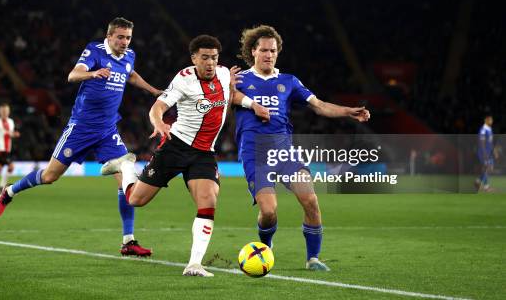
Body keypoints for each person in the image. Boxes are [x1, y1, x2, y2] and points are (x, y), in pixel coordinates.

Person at [102, 34, 270, 277]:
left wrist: (252, 104)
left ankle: (194, 264)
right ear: (194, 58)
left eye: (214, 57)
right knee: (136, 200)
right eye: (205, 58)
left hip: (203, 153)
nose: (210, 62)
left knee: (208, 201)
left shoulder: (224, 74)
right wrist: (159, 123)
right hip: (175, 146)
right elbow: (158, 106)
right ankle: (126, 166)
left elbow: (230, 95)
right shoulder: (183, 80)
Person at [0, 17, 160, 257]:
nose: (125, 42)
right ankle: (9, 192)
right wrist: (93, 74)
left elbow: (130, 75)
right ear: (110, 36)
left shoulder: (129, 56)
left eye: (128, 38)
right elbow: (73, 75)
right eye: (120, 37)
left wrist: (153, 90)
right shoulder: (95, 50)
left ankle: (128, 240)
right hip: (81, 127)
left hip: (107, 130)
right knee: (50, 176)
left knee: (127, 178)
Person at [233, 25, 370, 271]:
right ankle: (266, 248)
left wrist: (348, 111)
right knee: (269, 211)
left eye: (273, 50)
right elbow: (224, 96)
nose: (268, 55)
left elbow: (319, 105)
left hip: (285, 152)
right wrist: (235, 91)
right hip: (255, 154)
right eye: (263, 50)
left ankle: (313, 258)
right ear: (253, 51)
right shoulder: (239, 80)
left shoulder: (289, 81)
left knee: (310, 199)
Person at [476, 114, 496, 192]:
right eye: (490, 119)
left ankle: (478, 181)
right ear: (486, 120)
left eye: (492, 119)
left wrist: (494, 150)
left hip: (489, 152)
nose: (491, 121)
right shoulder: (483, 129)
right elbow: (482, 142)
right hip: (483, 152)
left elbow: (490, 142)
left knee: (490, 168)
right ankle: (486, 187)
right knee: (487, 168)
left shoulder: (490, 129)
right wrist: (484, 153)